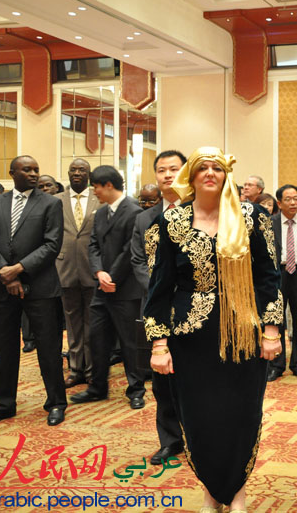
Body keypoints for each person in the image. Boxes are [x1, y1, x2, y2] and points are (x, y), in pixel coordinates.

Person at [144, 147, 283, 511]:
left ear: (227, 175)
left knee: (241, 413)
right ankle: (209, 491)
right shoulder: (170, 223)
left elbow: (269, 278)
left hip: (244, 334)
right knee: (199, 416)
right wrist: (159, 343)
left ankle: (236, 492)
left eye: (217, 168)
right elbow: (158, 288)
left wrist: (272, 331)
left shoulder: (253, 217)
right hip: (191, 337)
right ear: (190, 176)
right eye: (202, 167)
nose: (209, 173)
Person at [0, 156, 66, 426]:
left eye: (36, 169)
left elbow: (51, 245)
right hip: (2, 287)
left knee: (48, 348)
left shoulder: (51, 203)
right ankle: (4, 404)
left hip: (40, 286)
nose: (33, 174)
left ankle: (56, 402)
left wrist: (18, 268)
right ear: (12, 173)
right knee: (4, 348)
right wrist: (6, 275)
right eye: (27, 169)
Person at [71, 166, 146, 409]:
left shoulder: (134, 211)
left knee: (129, 342)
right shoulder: (101, 213)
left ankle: (136, 390)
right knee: (98, 339)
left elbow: (130, 251)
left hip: (125, 290)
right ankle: (97, 387)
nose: (95, 192)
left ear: (109, 185)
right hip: (101, 289)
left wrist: (111, 276)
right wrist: (99, 272)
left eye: (96, 187)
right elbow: (93, 245)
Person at [130, 150, 187, 466]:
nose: (167, 175)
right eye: (162, 170)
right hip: (156, 309)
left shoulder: (200, 211)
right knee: (162, 381)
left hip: (194, 306)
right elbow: (137, 259)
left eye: (174, 169)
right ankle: (170, 440)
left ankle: (199, 434)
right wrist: (157, 290)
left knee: (195, 375)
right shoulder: (143, 218)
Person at [55, 158, 100, 388]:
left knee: (92, 323)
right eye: (73, 169)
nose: (77, 173)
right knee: (72, 323)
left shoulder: (98, 199)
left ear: (88, 174)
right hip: (65, 268)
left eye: (82, 170)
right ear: (68, 173)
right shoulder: (55, 201)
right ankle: (75, 369)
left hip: (92, 269)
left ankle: (92, 370)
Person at [267, 184, 297, 381]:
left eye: (296, 198)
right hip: (278, 274)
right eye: (288, 199)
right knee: (276, 321)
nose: (294, 202)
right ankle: (276, 365)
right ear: (279, 202)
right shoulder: (269, 223)